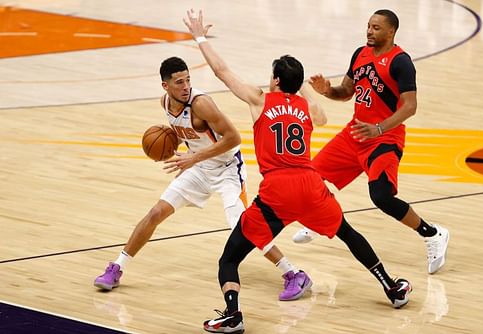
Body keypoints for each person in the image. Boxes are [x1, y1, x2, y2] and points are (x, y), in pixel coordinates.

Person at [183, 9, 412, 334]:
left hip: (277, 191)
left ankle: (233, 315)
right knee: (348, 233)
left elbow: (222, 71)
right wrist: (303, 85)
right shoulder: (308, 108)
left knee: (229, 260)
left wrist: (200, 37)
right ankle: (391, 286)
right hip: (310, 184)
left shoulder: (260, 100)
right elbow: (322, 118)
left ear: (275, 80)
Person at [93, 56, 311, 302]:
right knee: (156, 213)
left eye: (187, 80)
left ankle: (293, 273)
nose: (185, 86)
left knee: (244, 227)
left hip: (228, 169)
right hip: (199, 167)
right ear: (166, 86)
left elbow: (233, 138)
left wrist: (193, 158)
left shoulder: (202, 104)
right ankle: (117, 268)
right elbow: (186, 135)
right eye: (179, 82)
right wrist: (168, 150)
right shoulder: (165, 103)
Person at [292, 9, 450, 275]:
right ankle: (320, 219)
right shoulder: (360, 54)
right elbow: (346, 92)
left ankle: (433, 234)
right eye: (368, 26)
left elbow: (410, 107)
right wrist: (327, 91)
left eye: (376, 28)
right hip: (356, 132)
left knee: (382, 197)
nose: (369, 31)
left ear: (391, 32)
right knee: (311, 178)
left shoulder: (401, 62)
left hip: (384, 137)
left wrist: (379, 128)